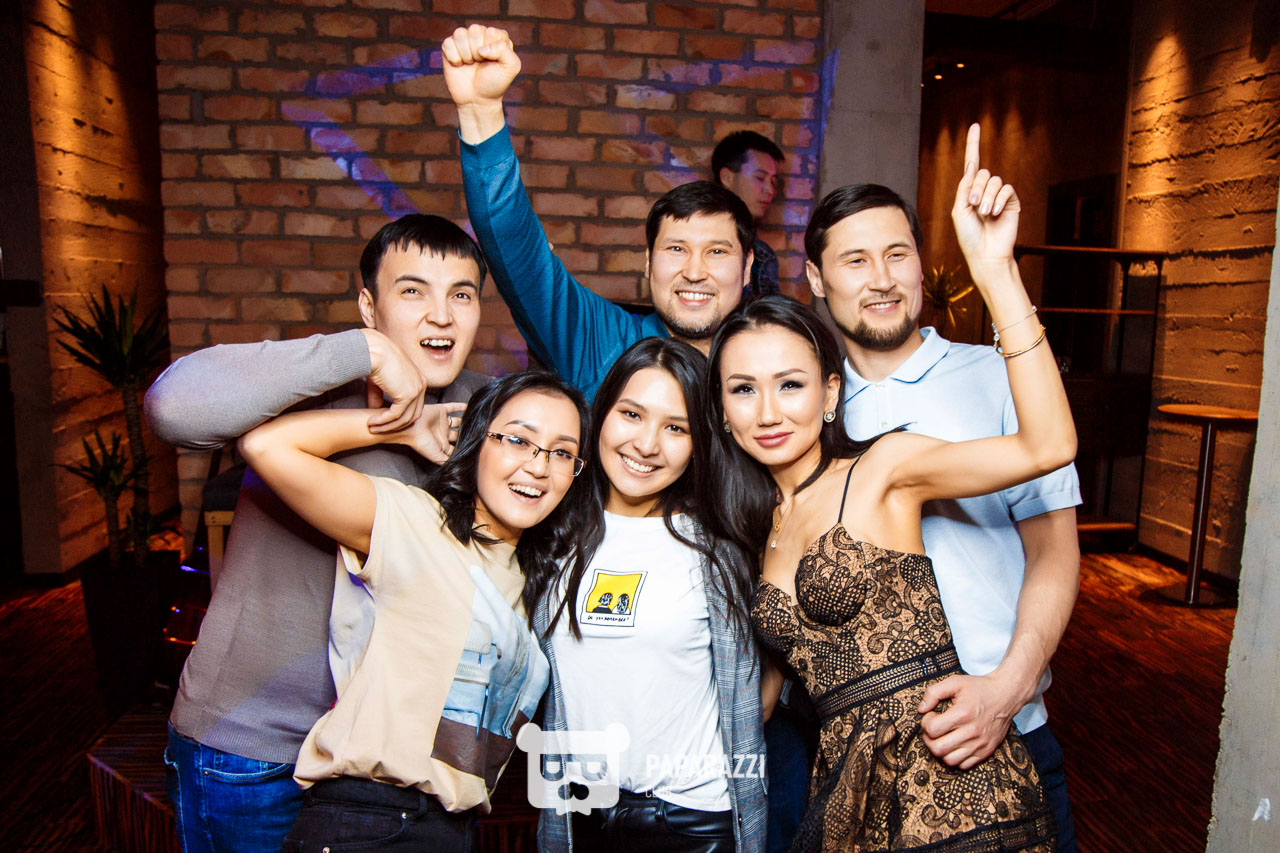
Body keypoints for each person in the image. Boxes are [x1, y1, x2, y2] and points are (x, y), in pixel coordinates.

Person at [709, 128, 1072, 851]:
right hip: (843, 776)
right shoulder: (769, 485)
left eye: (897, 254)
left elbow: (1053, 526)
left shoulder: (970, 394)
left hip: (988, 736)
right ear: (817, 279)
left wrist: (1009, 687)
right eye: (855, 259)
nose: (880, 278)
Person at [146, 215, 491, 852]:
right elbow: (170, 409)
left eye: (461, 294)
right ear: (368, 306)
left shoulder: (485, 410)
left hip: (382, 766)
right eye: (412, 291)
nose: (441, 316)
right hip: (255, 750)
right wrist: (365, 355)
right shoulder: (304, 389)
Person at [236, 372, 587, 850]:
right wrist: (406, 424)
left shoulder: (535, 583)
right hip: (369, 821)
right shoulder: (416, 522)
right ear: (476, 443)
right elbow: (265, 446)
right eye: (517, 440)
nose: (539, 466)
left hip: (450, 830)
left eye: (561, 453)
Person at [529, 338, 766, 852]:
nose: (646, 444)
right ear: (602, 414)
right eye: (632, 415)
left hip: (692, 823)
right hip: (580, 815)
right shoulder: (551, 532)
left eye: (676, 428)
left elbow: (765, 672)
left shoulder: (719, 550)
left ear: (700, 442)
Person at [443, 25, 754, 401]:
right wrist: (480, 111)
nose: (694, 271)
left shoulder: (767, 363)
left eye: (716, 251)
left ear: (747, 267)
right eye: (676, 249)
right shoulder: (602, 342)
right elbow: (518, 252)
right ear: (648, 262)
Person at [712, 130, 783, 300]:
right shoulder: (693, 241)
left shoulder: (763, 255)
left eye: (773, 182)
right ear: (727, 178)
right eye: (760, 178)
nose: (769, 190)